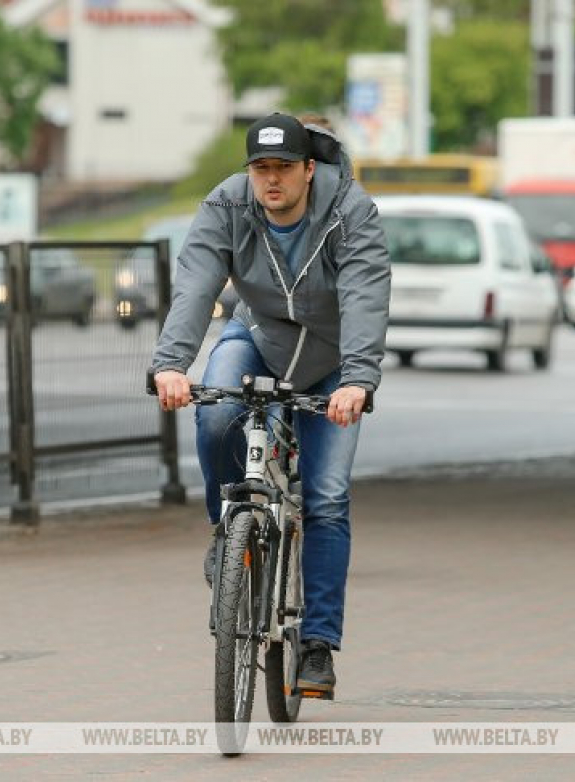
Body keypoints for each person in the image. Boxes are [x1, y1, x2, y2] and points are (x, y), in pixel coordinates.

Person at [149, 112, 390, 698]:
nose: (271, 179)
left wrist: (358, 380)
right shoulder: (228, 205)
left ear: (309, 169)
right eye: (261, 168)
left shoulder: (351, 211)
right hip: (256, 335)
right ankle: (226, 531)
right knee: (216, 414)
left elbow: (365, 294)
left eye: (283, 167)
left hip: (331, 358)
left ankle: (317, 644)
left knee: (326, 496)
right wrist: (171, 364)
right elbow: (197, 282)